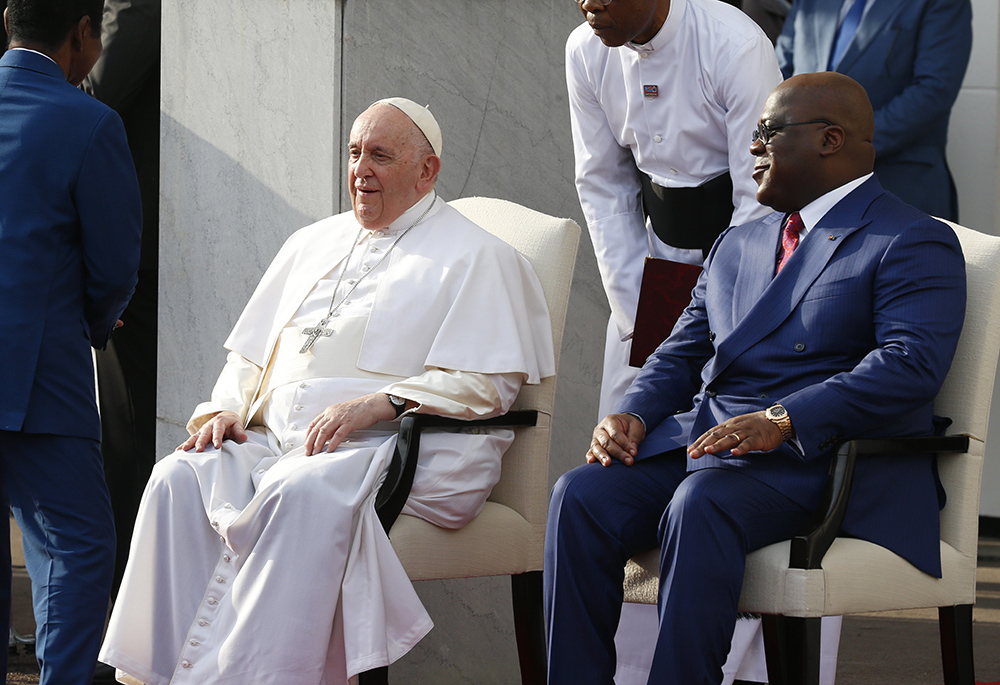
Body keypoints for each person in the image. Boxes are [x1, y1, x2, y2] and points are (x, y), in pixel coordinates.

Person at [98, 98, 555, 684]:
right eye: (354, 153)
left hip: (398, 447)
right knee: (178, 478)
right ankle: (154, 676)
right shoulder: (311, 242)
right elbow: (250, 352)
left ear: (427, 171)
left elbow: (488, 384)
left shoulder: (480, 256)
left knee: (300, 486)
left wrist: (379, 403)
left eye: (381, 156)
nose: (360, 169)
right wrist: (226, 409)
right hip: (283, 443)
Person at [544, 72, 966, 684]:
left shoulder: (909, 237)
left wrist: (784, 419)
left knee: (701, 501)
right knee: (580, 495)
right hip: (711, 443)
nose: (751, 148)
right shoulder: (737, 242)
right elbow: (679, 353)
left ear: (829, 139)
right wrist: (631, 414)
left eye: (767, 132)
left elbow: (910, 365)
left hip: (819, 461)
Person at [0, 1, 143, 683]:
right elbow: (115, 268)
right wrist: (93, 323)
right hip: (38, 376)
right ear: (85, 34)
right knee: (80, 547)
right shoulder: (90, 122)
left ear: (6, 19)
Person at [566, 0, 781, 418]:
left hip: (746, 265)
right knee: (621, 427)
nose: (590, 4)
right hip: (655, 267)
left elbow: (759, 194)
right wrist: (637, 310)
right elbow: (603, 183)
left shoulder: (734, 44)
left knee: (721, 425)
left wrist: (717, 311)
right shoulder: (584, 50)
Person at [775, 0, 973, 222]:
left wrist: (843, 145)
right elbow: (780, 78)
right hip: (807, 189)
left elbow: (933, 91)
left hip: (898, 186)